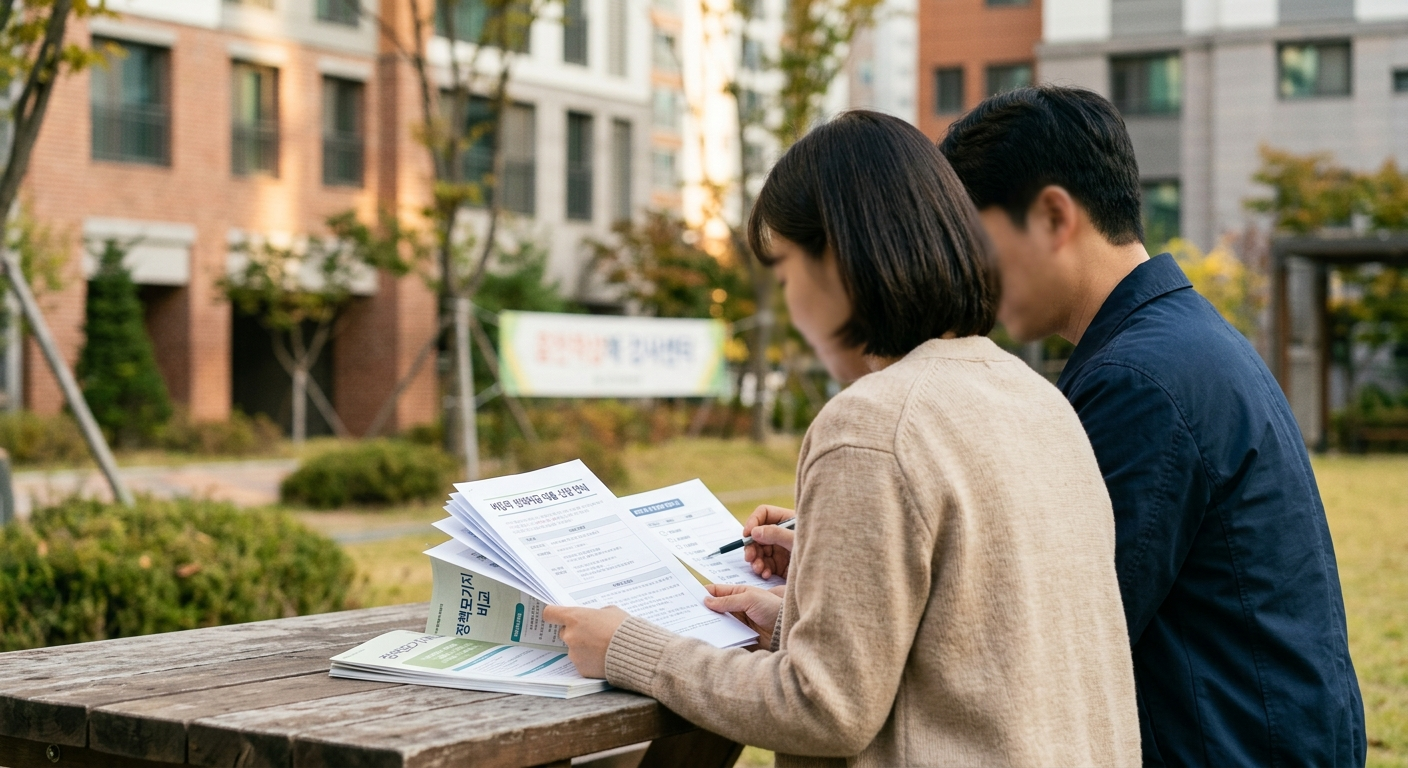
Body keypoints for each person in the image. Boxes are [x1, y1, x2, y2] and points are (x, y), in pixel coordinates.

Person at [543, 110, 1140, 767]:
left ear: (839, 260)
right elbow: (977, 657)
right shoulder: (1037, 401)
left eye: (787, 272)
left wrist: (630, 646)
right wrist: (789, 623)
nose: (792, 305)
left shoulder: (872, 424)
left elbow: (823, 709)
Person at [930, 85, 1364, 767]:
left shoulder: (1139, 379)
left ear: (1051, 216)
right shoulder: (1173, 341)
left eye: (976, 243)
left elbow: (1054, 631)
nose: (967, 274)